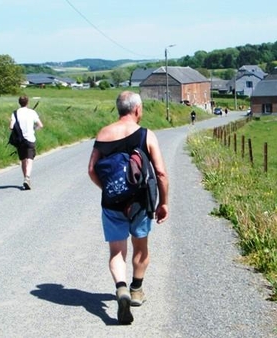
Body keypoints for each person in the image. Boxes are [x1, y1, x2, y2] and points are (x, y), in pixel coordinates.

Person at [88, 91, 169, 325]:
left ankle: (120, 288)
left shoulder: (103, 134)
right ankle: (136, 290)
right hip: (141, 202)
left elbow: (92, 170)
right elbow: (161, 173)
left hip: (112, 201)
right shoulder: (146, 135)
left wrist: (109, 189)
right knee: (140, 246)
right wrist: (163, 202)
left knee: (117, 251)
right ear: (137, 109)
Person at [10, 95, 43, 190]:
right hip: (30, 138)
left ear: (19, 102)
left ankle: (25, 178)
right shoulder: (32, 112)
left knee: (23, 159)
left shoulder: (15, 113)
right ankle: (27, 177)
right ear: (27, 102)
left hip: (19, 140)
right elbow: (40, 125)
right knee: (30, 159)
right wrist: (34, 129)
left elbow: (11, 127)